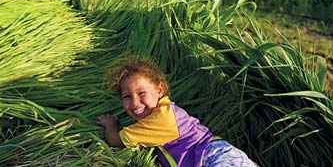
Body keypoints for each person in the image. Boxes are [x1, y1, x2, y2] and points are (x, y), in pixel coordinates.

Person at [95, 56, 258, 167]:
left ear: (159, 90)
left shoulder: (160, 121)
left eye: (141, 93)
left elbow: (115, 140)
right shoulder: (166, 109)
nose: (135, 103)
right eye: (127, 96)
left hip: (212, 158)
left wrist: (111, 124)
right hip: (221, 154)